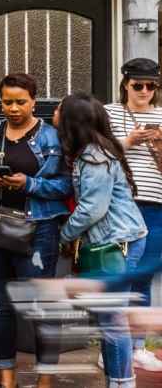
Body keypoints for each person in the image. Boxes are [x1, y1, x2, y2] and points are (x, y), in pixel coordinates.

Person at [0, 73, 72, 388]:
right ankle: (6, 380)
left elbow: (65, 185)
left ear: (34, 101)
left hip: (37, 229)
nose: (12, 108)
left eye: (20, 102)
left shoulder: (51, 138)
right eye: (7, 101)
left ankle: (44, 382)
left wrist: (30, 183)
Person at [57, 94, 147, 388]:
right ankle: (116, 380)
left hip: (116, 242)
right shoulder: (95, 150)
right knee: (109, 317)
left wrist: (65, 234)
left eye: (60, 109)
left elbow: (92, 209)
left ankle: (122, 382)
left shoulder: (93, 157)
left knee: (112, 318)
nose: (55, 112)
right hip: (119, 239)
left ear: (73, 121)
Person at [104, 57, 162, 350]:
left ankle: (137, 347)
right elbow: (94, 153)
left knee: (142, 277)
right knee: (118, 276)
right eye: (138, 85)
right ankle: (115, 348)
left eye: (151, 86)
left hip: (155, 207)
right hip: (118, 205)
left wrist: (158, 146)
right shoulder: (108, 113)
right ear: (125, 83)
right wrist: (128, 141)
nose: (144, 91)